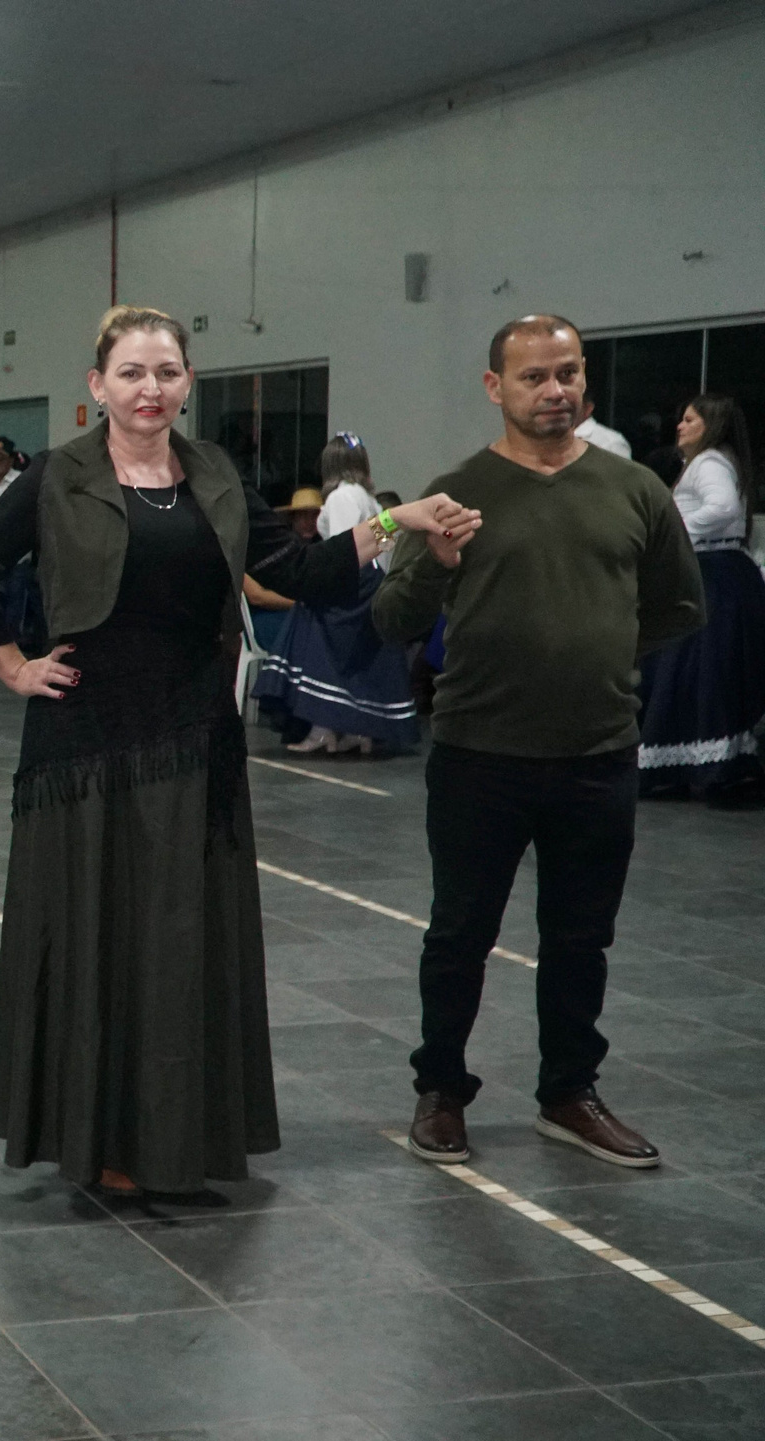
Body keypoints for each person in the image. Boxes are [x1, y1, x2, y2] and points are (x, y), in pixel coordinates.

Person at [0, 306, 482, 1200]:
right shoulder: (57, 475)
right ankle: (99, 1137)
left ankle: (176, 1134)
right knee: (96, 943)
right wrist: (13, 666)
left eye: (166, 372)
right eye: (131, 372)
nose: (149, 389)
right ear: (97, 386)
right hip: (85, 749)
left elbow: (301, 572)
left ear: (187, 382)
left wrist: (401, 522)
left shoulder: (216, 475)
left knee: (178, 944)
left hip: (197, 742)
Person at [375, 315, 702, 1171]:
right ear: (495, 387)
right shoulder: (457, 491)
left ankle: (569, 1091)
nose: (555, 391)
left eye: (568, 373)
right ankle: (441, 1090)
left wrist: (600, 650)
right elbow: (391, 617)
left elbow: (679, 605)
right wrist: (437, 560)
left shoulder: (635, 489)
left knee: (581, 938)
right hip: (479, 755)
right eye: (534, 377)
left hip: (598, 754)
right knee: (460, 933)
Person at [635, 394, 764, 805]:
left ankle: (702, 767)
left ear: (711, 426)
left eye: (690, 420)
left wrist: (675, 534)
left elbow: (723, 507)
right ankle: (701, 765)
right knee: (699, 674)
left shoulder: (709, 462)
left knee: (692, 672)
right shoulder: (711, 462)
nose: (680, 426)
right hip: (719, 573)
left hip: (711, 577)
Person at [261, 435, 420, 756]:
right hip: (371, 582)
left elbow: (341, 548)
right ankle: (355, 732)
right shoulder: (371, 501)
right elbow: (384, 547)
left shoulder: (341, 498)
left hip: (349, 582)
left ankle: (322, 730)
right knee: (352, 658)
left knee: (319, 648)